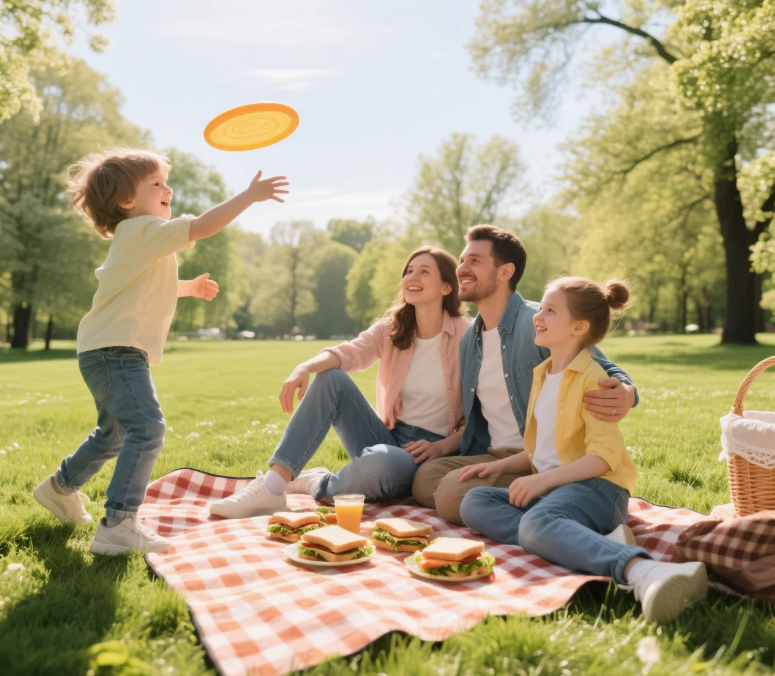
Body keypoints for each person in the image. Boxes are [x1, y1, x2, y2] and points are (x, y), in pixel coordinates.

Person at [33, 148, 288, 555]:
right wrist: (248, 195)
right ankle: (118, 524)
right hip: (115, 351)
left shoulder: (138, 239)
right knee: (147, 428)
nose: (167, 188)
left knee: (114, 433)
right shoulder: (144, 229)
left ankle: (60, 488)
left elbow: (148, 284)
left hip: (103, 350)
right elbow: (203, 226)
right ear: (125, 201)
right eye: (156, 183)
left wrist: (190, 287)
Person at [459, 276, 707, 623]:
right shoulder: (543, 374)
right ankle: (588, 539)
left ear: (579, 326)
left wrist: (542, 482)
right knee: (476, 502)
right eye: (541, 308)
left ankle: (641, 571)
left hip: (599, 489)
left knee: (535, 524)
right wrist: (501, 467)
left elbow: (602, 458)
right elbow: (545, 446)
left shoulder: (593, 380)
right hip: (559, 492)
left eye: (550, 310)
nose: (538, 316)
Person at [209, 246, 472, 518]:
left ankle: (318, 483)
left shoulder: (468, 335)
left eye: (424, 271)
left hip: (435, 451)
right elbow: (351, 352)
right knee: (331, 378)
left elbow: (481, 416)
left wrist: (442, 446)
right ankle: (273, 485)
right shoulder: (392, 328)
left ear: (445, 287)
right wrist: (305, 367)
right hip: (389, 438)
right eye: (409, 271)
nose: (411, 277)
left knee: (381, 464)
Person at [412, 225, 639, 524]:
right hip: (495, 454)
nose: (462, 269)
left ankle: (551, 503)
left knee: (452, 496)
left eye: (475, 261)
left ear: (505, 272)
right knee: (424, 479)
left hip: (539, 455)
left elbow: (601, 367)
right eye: (463, 260)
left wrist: (627, 391)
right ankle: (536, 503)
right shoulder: (470, 339)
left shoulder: (540, 323)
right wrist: (445, 447)